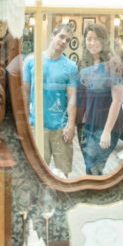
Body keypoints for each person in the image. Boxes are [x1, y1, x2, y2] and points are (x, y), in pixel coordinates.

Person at [22, 23, 78, 177]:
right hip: (37, 126)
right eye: (61, 36)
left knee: (64, 173)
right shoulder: (31, 61)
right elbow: (25, 93)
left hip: (61, 128)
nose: (64, 42)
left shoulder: (71, 67)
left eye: (68, 40)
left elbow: (72, 97)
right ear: (52, 35)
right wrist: (25, 122)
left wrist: (71, 124)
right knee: (37, 173)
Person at [76, 23, 123, 176]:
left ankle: (95, 198)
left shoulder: (115, 64)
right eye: (89, 39)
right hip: (89, 124)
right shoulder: (86, 65)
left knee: (95, 169)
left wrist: (106, 132)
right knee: (90, 168)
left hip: (106, 125)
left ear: (104, 41)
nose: (92, 42)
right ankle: (91, 198)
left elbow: (117, 100)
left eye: (96, 39)